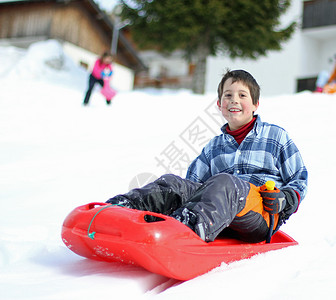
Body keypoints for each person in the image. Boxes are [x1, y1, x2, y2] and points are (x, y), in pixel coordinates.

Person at [107, 70, 308, 243]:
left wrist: (285, 199)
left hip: (259, 215)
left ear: (256, 104)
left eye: (242, 95)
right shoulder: (214, 147)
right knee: (173, 183)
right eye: (228, 95)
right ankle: (123, 210)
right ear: (220, 104)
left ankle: (184, 230)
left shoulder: (275, 136)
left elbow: (299, 178)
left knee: (225, 183)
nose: (234, 100)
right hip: (219, 217)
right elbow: (192, 186)